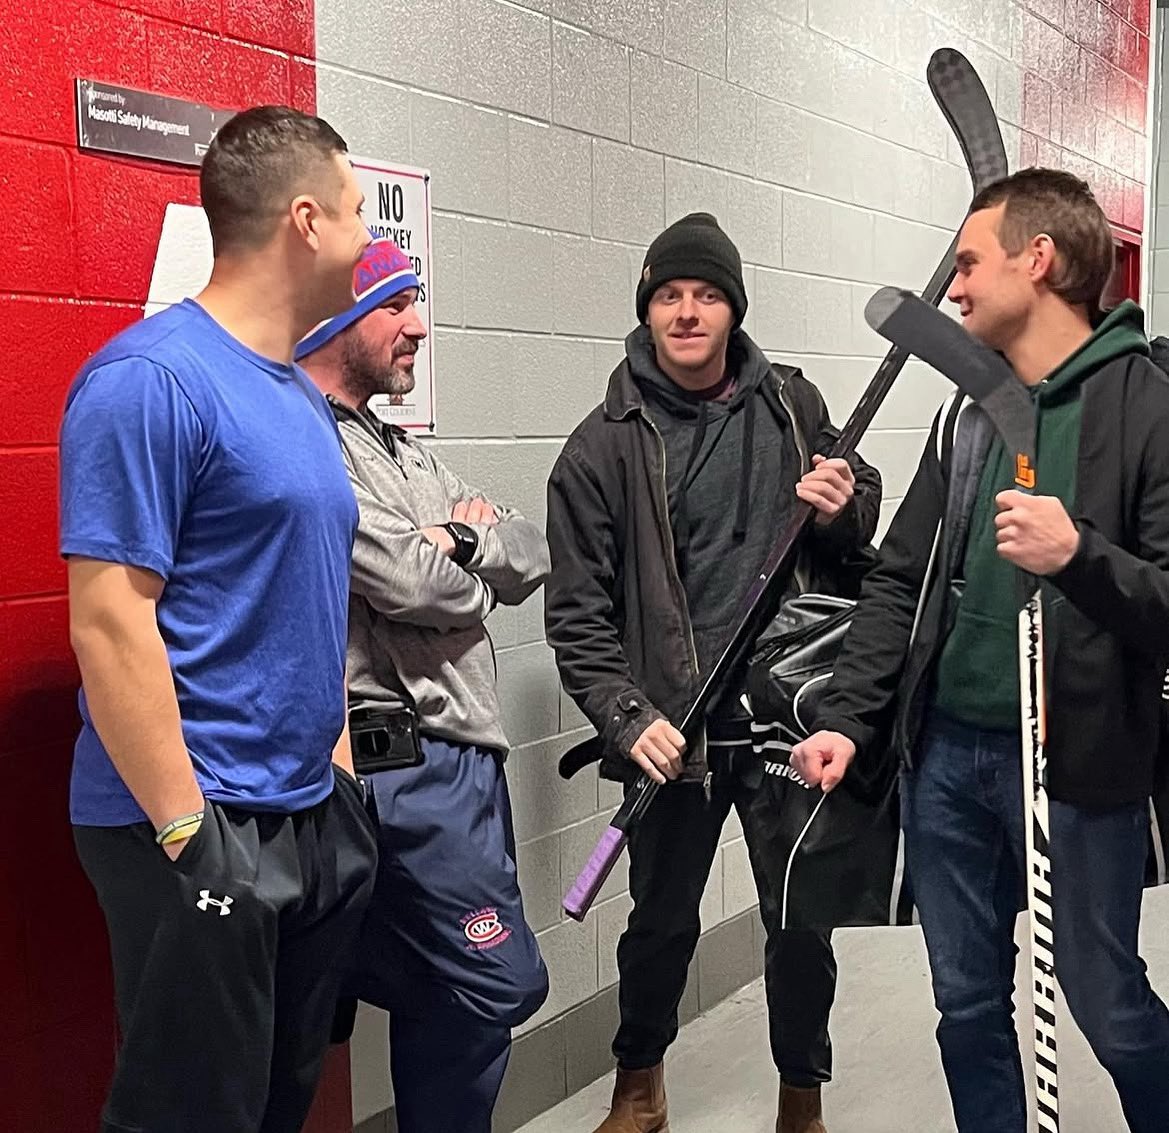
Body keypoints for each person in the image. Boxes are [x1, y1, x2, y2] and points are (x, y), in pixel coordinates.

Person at [793, 168, 1169, 1133]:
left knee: (1108, 1006)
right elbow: (897, 579)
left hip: (1076, 766)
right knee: (964, 1004)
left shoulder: (1146, 407)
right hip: (947, 759)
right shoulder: (966, 416)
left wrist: (1078, 556)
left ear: (1037, 260)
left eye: (967, 263)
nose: (951, 287)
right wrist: (846, 715)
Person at [60, 106, 378, 1133]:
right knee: (191, 1116)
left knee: (277, 1104)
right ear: (304, 222)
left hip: (302, 813)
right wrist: (190, 832)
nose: (369, 241)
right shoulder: (148, 380)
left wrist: (337, 784)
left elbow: (309, 593)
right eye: (358, 215)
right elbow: (109, 620)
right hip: (195, 822)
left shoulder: (291, 392)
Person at [545, 213, 882, 1133]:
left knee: (798, 922)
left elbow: (864, 548)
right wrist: (624, 716)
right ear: (646, 310)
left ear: (733, 308)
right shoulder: (600, 446)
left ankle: (799, 1102)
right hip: (673, 732)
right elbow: (575, 615)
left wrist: (841, 510)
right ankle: (637, 1089)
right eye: (668, 295)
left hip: (786, 719)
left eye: (706, 295)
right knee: (659, 923)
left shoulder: (794, 408)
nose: (686, 313)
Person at [297, 237, 550, 1133]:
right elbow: (406, 582)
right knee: (495, 981)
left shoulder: (398, 449)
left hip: (461, 759)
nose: (419, 326)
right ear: (338, 316)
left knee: (432, 987)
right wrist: (447, 553)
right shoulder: (307, 440)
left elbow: (530, 547)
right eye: (398, 305)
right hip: (400, 763)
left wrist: (463, 540)